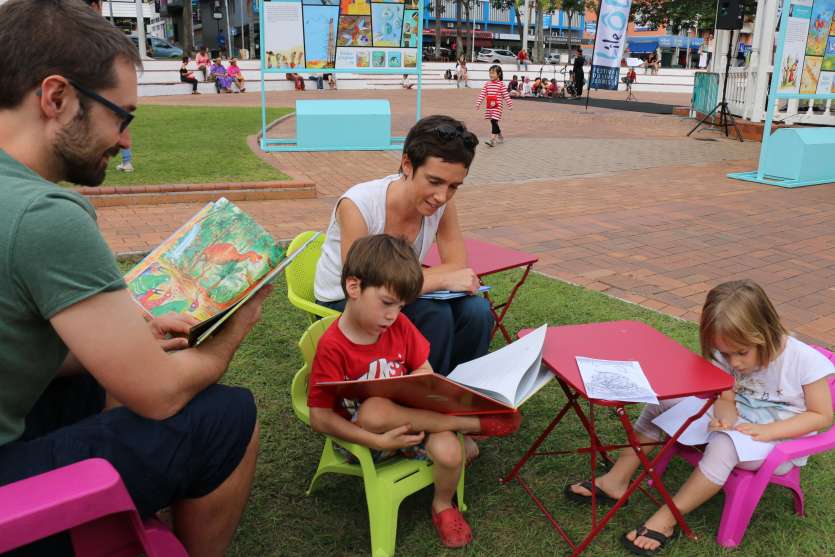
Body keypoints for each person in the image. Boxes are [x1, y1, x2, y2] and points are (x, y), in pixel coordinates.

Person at [0, 2, 268, 556]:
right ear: (56, 98)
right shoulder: (44, 214)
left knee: (92, 380)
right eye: (122, 116)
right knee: (227, 414)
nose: (125, 141)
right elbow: (159, 395)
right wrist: (234, 329)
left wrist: (134, 337)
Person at [565, 279, 833, 555]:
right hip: (740, 419)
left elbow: (822, 415)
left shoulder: (803, 361)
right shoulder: (726, 350)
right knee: (661, 402)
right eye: (726, 355)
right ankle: (616, 480)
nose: (735, 363)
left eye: (741, 353)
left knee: (723, 445)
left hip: (779, 438)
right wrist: (725, 413)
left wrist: (771, 431)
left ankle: (668, 517)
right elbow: (726, 395)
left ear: (766, 330)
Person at [308, 234, 521, 549]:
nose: (393, 315)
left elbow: (422, 369)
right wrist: (376, 440)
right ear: (353, 287)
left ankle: (443, 505)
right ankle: (467, 425)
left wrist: (426, 383)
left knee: (450, 453)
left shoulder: (400, 326)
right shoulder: (332, 346)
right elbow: (320, 417)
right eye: (386, 303)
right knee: (374, 409)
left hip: (414, 422)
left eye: (400, 306)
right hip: (365, 436)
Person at [313, 115, 493, 378]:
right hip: (344, 300)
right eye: (434, 181)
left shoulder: (440, 203)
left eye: (453, 186)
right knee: (435, 313)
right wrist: (440, 280)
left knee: (477, 312)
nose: (442, 196)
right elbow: (364, 286)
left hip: (400, 292)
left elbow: (457, 264)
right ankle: (427, 398)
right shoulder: (358, 204)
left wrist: (435, 278)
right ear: (407, 164)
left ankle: (463, 388)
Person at [475, 64, 512, 147]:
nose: (491, 75)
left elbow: (506, 95)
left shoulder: (501, 84)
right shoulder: (487, 84)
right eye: (490, 73)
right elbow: (482, 94)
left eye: (493, 73)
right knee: (493, 121)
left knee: (494, 121)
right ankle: (500, 135)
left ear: (498, 74)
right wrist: (478, 103)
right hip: (490, 106)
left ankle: (492, 140)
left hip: (498, 106)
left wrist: (509, 104)